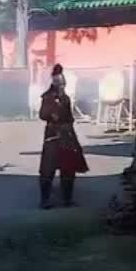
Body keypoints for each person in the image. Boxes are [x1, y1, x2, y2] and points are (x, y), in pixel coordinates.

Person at [38, 63, 89, 208]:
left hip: (67, 137)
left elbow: (69, 118)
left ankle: (67, 199)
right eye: (60, 85)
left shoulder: (66, 99)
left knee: (68, 169)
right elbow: (42, 115)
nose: (62, 87)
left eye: (63, 84)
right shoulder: (47, 97)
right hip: (52, 136)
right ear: (55, 84)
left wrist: (70, 130)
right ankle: (45, 200)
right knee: (48, 170)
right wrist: (52, 114)